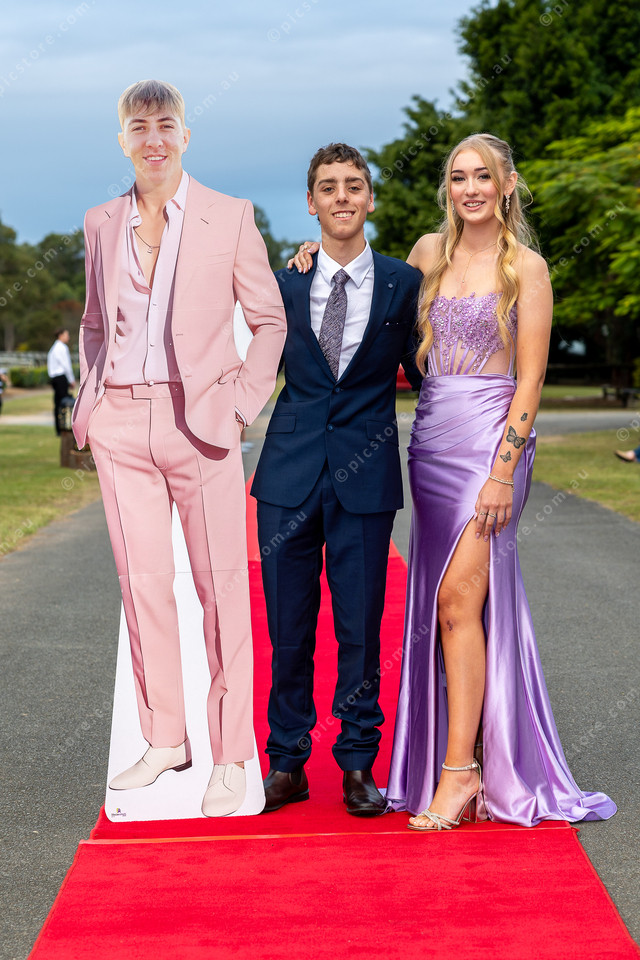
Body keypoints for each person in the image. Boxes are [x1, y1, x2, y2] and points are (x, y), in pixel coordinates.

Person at [291, 133, 616, 830]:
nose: (470, 189)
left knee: (456, 602)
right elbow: (371, 305)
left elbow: (531, 380)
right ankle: (462, 757)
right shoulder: (425, 254)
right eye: (459, 177)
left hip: (490, 447)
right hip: (431, 443)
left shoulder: (526, 267)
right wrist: (313, 259)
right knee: (444, 607)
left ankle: (460, 770)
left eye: (483, 177)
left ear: (507, 184)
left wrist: (503, 472)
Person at [73, 80, 286, 817]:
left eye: (165, 124)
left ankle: (230, 754)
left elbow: (269, 321)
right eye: (139, 126)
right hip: (120, 423)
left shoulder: (231, 215)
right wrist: (91, 406)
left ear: (185, 136)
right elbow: (94, 322)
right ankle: (166, 736)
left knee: (219, 588)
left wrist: (240, 405)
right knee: (143, 584)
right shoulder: (101, 221)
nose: (153, 138)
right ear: (123, 140)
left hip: (203, 423)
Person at [251, 143, 423, 816]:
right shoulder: (282, 283)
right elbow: (241, 364)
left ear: (370, 198)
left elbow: (427, 371)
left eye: (354, 185)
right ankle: (286, 761)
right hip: (287, 477)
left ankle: (357, 762)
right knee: (288, 628)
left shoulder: (404, 283)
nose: (342, 196)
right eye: (329, 187)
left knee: (360, 627)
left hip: (366, 476)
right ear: (311, 202)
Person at [47, 328, 75, 434]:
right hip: (61, 377)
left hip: (55, 378)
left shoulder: (54, 348)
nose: (68, 337)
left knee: (58, 402)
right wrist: (71, 379)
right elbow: (66, 365)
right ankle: (63, 426)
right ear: (60, 335)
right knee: (63, 402)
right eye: (66, 335)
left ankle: (60, 427)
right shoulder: (62, 348)